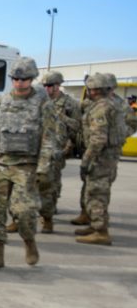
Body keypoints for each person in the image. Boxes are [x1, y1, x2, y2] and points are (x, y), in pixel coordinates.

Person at [0, 57, 57, 270]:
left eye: (24, 79)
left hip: (27, 165)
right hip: (0, 162)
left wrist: (44, 168)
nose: (19, 83)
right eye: (15, 78)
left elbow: (49, 137)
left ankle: (29, 241)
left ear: (32, 78)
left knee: (24, 211)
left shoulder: (43, 104)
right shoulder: (0, 102)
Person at [74, 73, 125, 245]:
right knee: (99, 192)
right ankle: (95, 225)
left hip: (100, 159)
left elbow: (98, 139)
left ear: (94, 90)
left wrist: (86, 160)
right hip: (108, 157)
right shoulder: (111, 104)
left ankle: (101, 232)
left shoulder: (100, 108)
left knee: (96, 194)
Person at [33, 71, 81, 233]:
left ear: (58, 85)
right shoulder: (38, 101)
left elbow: (78, 126)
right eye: (44, 86)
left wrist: (62, 117)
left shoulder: (70, 103)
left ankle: (48, 217)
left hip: (59, 148)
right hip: (37, 147)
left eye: (50, 86)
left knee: (51, 183)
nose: (47, 89)